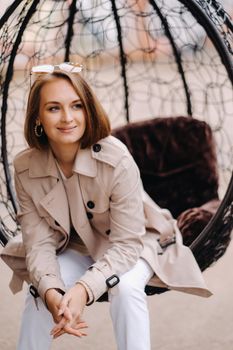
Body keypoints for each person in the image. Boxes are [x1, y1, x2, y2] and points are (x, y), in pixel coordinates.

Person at [1, 62, 211, 350]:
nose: (67, 118)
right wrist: (53, 292)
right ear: (37, 116)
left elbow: (126, 243)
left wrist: (84, 289)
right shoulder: (26, 166)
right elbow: (38, 244)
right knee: (39, 290)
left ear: (88, 110)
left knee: (124, 287)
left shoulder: (115, 157)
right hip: (75, 246)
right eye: (53, 108)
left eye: (76, 106)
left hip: (134, 242)